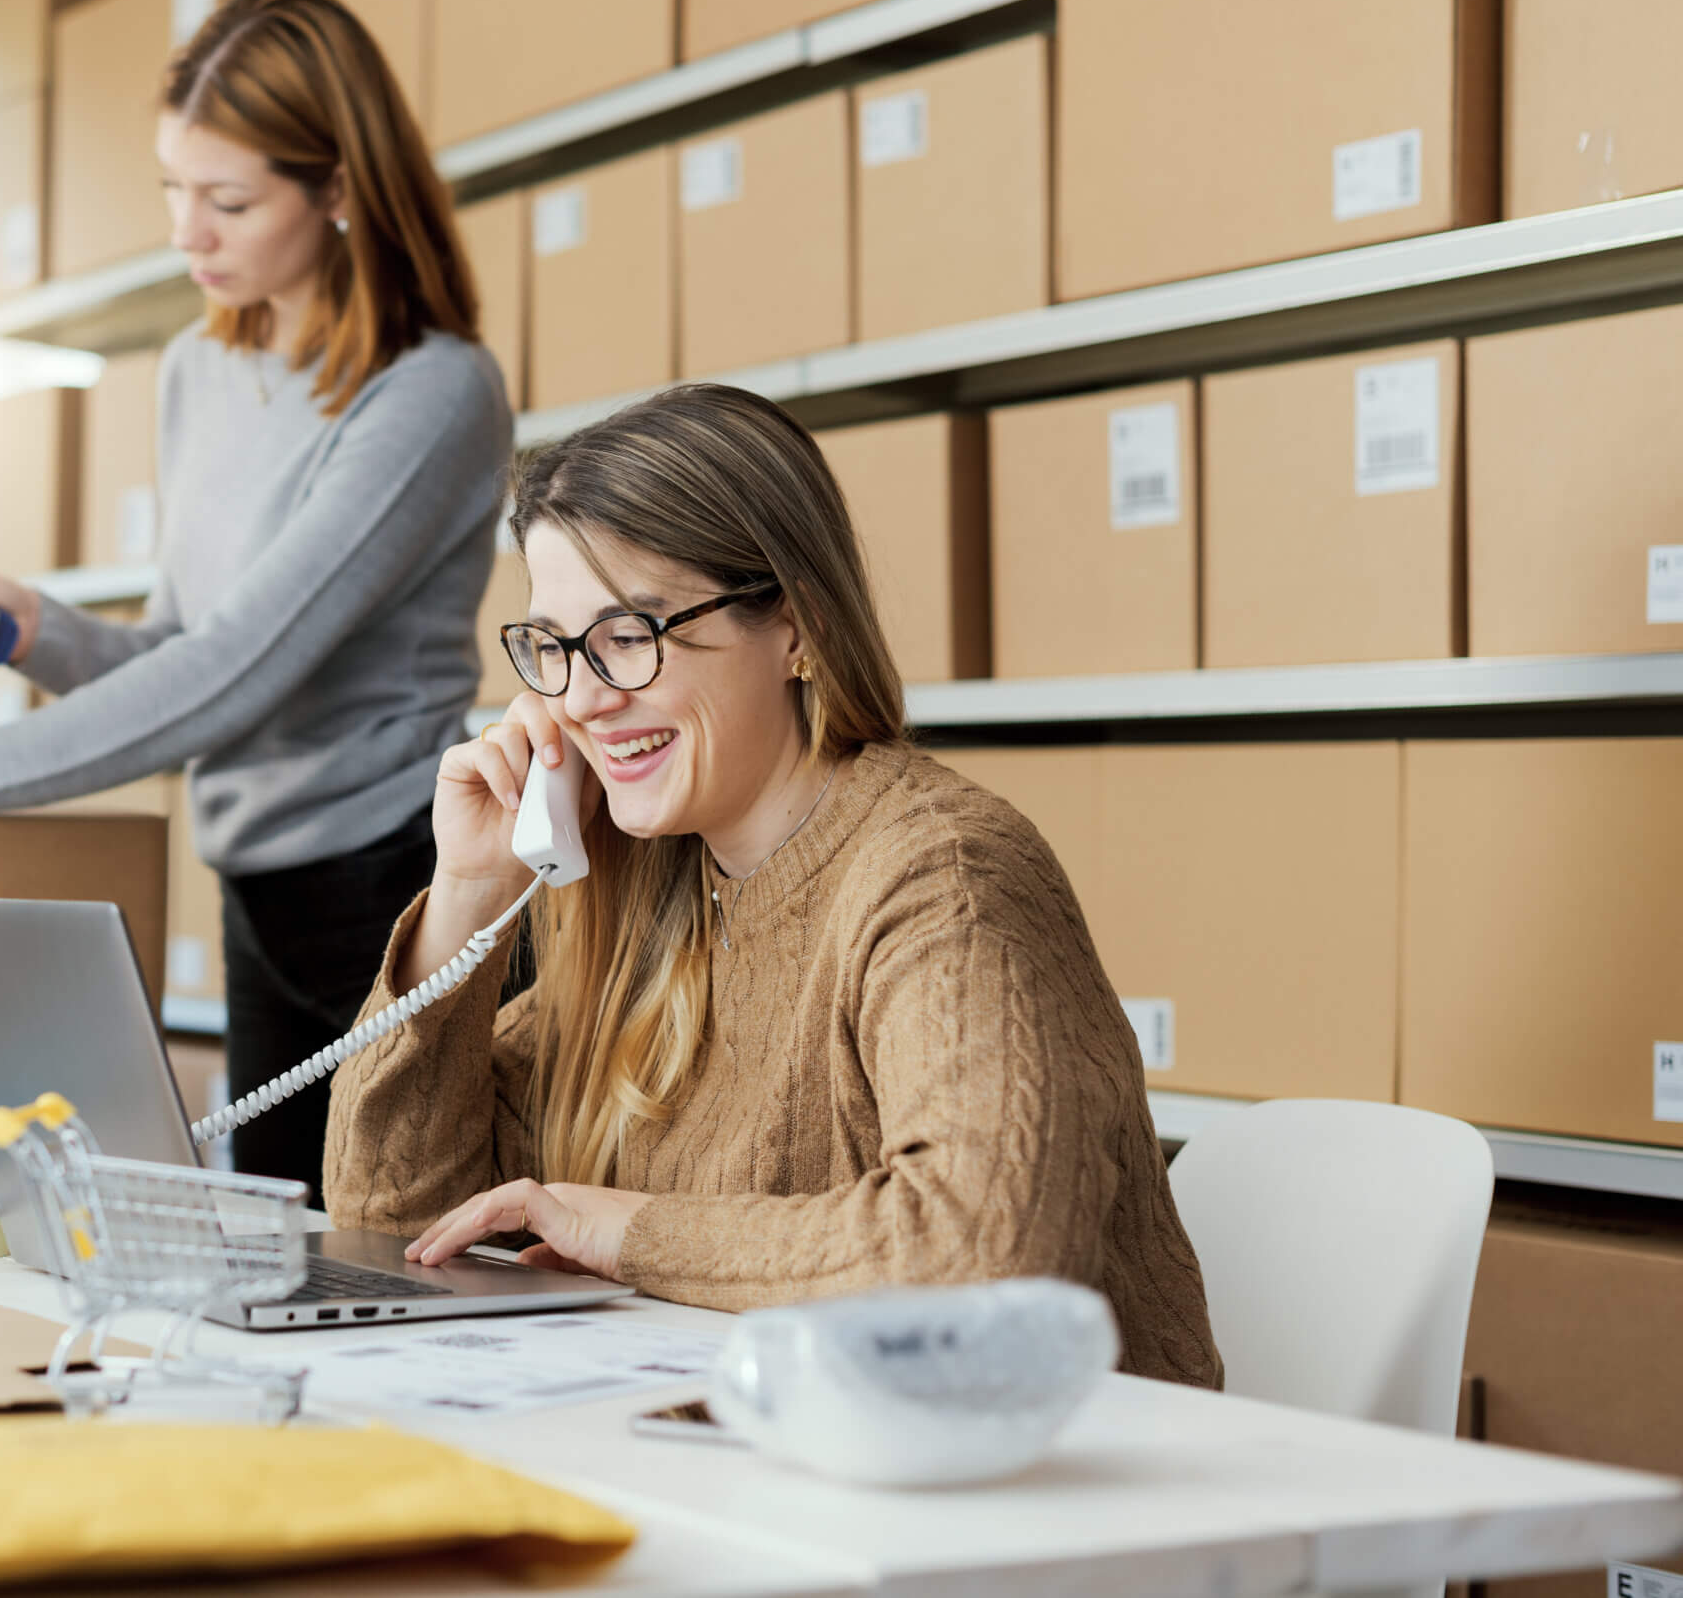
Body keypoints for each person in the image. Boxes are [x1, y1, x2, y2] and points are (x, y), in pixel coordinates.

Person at [0, 0, 513, 1195]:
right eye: (171, 190)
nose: (187, 233)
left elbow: (238, 670)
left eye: (230, 200)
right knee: (292, 1256)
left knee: (406, 1246)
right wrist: (40, 634)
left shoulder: (433, 394)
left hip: (396, 885)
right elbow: (181, 645)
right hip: (254, 886)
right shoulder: (200, 366)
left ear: (342, 189)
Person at [320, 383, 1222, 1387]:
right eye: (555, 647)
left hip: (1032, 1496)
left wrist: (633, 1232)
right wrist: (468, 893)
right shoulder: (646, 894)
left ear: (792, 626)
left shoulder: (941, 872)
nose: (580, 697)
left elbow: (982, 1248)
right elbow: (390, 1226)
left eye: (630, 631)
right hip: (773, 1460)